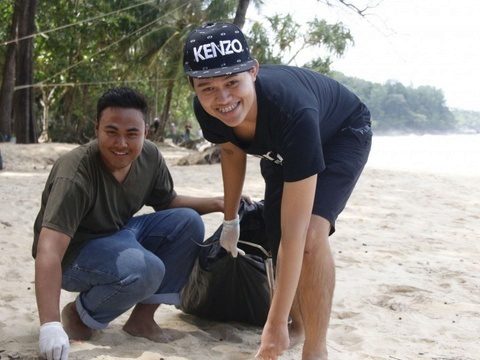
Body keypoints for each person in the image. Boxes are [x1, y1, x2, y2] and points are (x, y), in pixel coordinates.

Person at [183, 22, 372, 360]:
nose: (222, 98)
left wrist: (273, 323)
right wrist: (230, 221)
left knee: (309, 238)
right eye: (207, 87)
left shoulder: (292, 111)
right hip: (279, 149)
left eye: (231, 82)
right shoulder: (207, 109)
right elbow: (231, 151)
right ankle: (297, 325)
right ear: (193, 86)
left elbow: (296, 236)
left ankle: (316, 349)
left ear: (253, 71)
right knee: (276, 241)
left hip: (341, 134)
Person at [32, 87, 225, 360]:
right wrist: (49, 326)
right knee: (147, 269)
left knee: (188, 222)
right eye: (111, 132)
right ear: (96, 128)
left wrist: (219, 203)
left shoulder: (150, 157)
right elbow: (49, 250)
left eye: (132, 133)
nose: (121, 143)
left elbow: (168, 203)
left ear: (146, 131)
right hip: (72, 255)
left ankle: (142, 320)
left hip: (117, 234)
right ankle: (79, 315)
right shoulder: (74, 174)